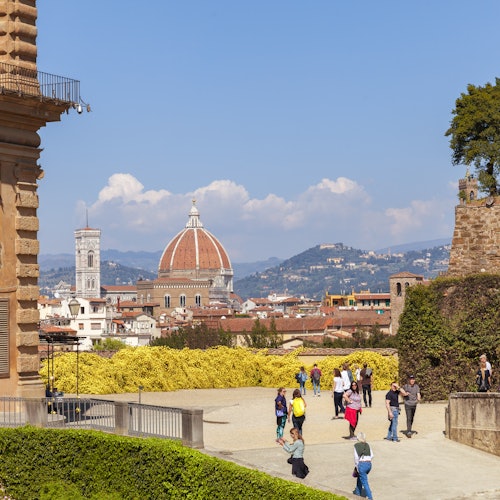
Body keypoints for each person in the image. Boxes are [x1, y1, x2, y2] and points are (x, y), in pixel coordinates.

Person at [352, 432, 374, 500]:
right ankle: (358, 494)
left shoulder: (356, 445)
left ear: (358, 438)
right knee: (360, 477)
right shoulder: (367, 445)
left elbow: (356, 458)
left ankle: (370, 498)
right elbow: (372, 455)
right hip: (369, 465)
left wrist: (357, 466)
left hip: (362, 465)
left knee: (364, 481)